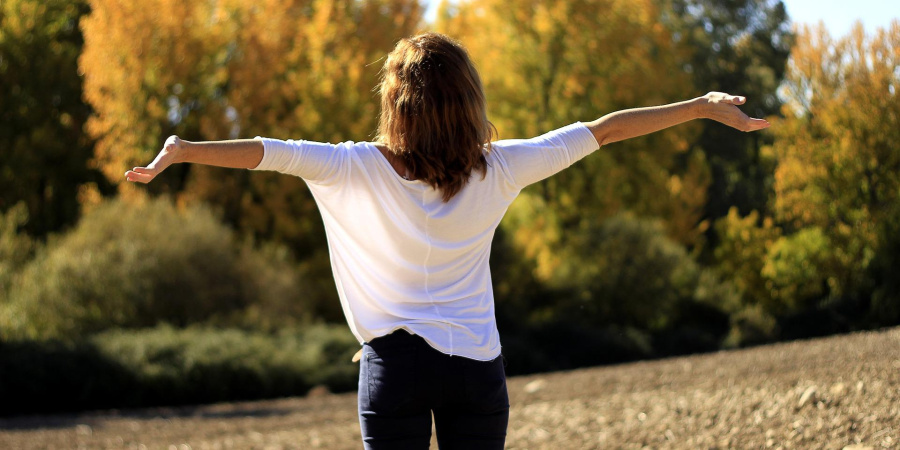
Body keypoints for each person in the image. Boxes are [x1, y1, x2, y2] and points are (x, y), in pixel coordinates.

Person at [125, 32, 769, 449]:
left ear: (395, 105)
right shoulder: (502, 167)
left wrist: (183, 151)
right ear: (468, 101)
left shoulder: (352, 166)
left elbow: (265, 152)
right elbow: (603, 131)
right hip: (476, 370)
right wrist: (700, 105)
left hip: (394, 371)